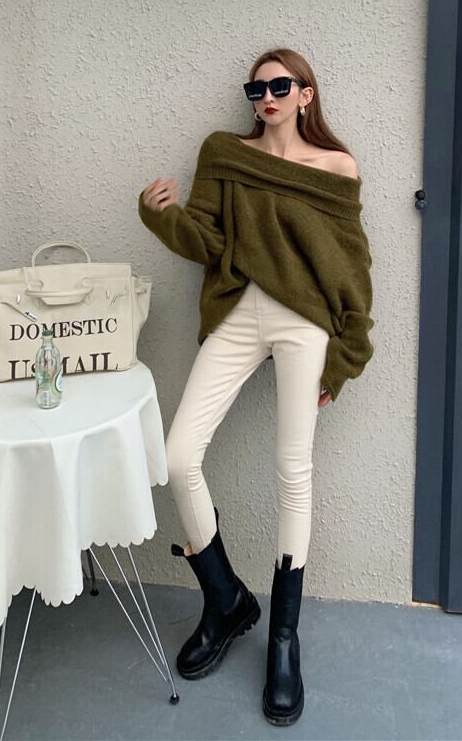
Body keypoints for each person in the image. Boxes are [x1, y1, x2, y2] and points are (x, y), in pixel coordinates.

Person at [138, 47, 375, 727]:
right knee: (178, 454)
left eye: (279, 86)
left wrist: (346, 356)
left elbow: (352, 267)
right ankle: (226, 600)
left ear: (305, 93)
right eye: (256, 89)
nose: (266, 97)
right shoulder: (225, 153)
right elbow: (207, 241)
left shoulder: (337, 167)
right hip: (239, 313)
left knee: (293, 471)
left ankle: (283, 640)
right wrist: (161, 216)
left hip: (306, 325)